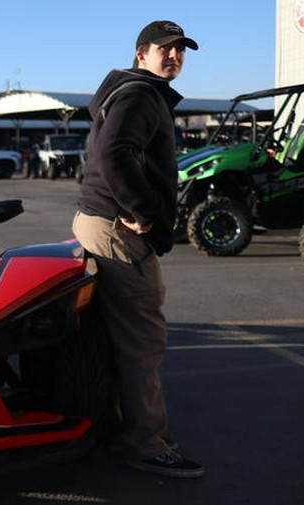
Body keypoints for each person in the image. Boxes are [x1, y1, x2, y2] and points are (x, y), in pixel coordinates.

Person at [71, 20, 205, 478]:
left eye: (181, 51)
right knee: (142, 339)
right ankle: (145, 444)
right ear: (140, 54)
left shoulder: (132, 91)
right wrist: (143, 211)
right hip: (118, 231)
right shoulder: (140, 94)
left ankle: (126, 426)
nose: (174, 57)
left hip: (100, 224)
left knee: (116, 335)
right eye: (164, 49)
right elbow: (115, 152)